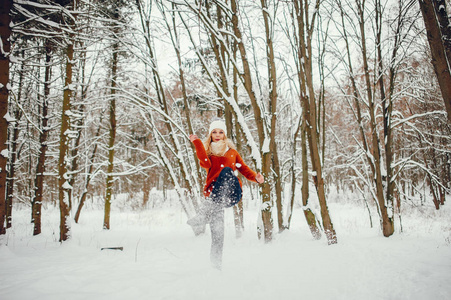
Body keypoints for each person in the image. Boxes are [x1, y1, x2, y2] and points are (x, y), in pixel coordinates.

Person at [188, 119, 264, 269]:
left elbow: (244, 169)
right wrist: (197, 143)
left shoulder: (232, 153)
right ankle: (216, 267)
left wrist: (256, 177)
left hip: (231, 192)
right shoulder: (208, 153)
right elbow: (205, 163)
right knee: (217, 235)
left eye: (220, 132)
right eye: (214, 132)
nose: (217, 135)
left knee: (227, 171)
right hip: (216, 200)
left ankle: (203, 214)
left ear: (225, 134)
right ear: (210, 134)